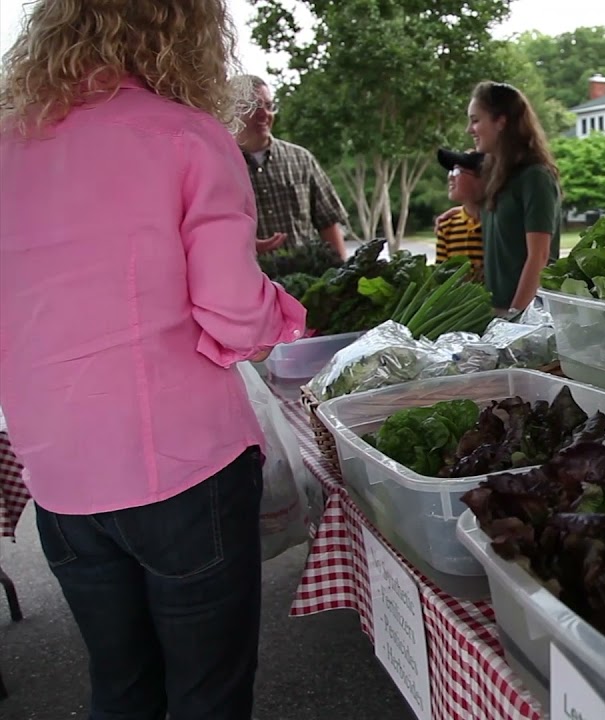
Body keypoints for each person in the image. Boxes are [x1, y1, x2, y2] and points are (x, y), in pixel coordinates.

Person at [0, 1, 307, 717]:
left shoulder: (9, 147)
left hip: (62, 477)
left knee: (121, 686)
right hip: (181, 469)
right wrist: (279, 315)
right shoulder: (185, 136)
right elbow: (235, 314)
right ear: (182, 29)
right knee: (208, 693)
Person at [467, 81, 562, 315]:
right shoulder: (497, 176)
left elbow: (539, 256)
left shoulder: (535, 177)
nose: (469, 129)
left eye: (476, 120)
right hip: (496, 312)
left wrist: (514, 317)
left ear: (501, 122)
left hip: (525, 317)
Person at [234, 74, 349, 260]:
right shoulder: (217, 167)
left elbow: (328, 223)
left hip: (306, 281)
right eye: (253, 106)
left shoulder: (301, 159)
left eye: (269, 106)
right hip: (249, 284)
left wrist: (343, 273)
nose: (264, 114)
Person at [434, 147, 486, 272]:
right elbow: (439, 276)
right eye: (450, 172)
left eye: (457, 171)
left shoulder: (502, 224)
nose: (451, 178)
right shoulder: (447, 226)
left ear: (484, 178)